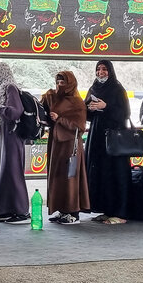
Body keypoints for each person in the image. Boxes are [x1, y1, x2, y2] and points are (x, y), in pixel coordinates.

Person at [0, 62, 30, 224]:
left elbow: (15, 112)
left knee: (12, 171)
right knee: (3, 171)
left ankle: (20, 211)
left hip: (11, 134)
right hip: (6, 133)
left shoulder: (10, 88)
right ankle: (7, 209)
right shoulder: (7, 87)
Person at [85, 60, 131, 225]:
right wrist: (89, 109)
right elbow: (87, 115)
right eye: (98, 69)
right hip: (97, 137)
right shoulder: (93, 89)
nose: (100, 72)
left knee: (115, 172)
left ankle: (120, 212)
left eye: (104, 69)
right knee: (100, 173)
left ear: (110, 71)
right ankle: (106, 209)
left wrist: (107, 106)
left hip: (114, 138)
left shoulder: (118, 89)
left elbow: (125, 113)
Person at [41, 71, 90, 225]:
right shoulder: (52, 97)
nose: (59, 85)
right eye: (58, 82)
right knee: (57, 176)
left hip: (70, 144)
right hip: (56, 143)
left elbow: (80, 125)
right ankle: (62, 210)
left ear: (70, 84)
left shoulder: (77, 102)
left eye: (63, 83)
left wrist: (60, 119)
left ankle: (73, 213)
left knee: (70, 177)